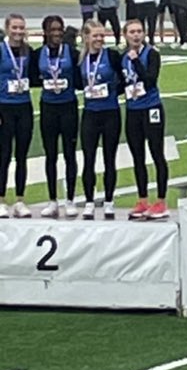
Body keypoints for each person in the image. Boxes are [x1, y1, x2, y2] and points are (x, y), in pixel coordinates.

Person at [30, 15, 79, 219]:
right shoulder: (38, 54)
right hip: (48, 107)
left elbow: (80, 77)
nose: (57, 33)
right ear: (45, 32)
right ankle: (52, 200)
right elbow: (32, 77)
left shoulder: (72, 53)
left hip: (68, 107)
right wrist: (47, 81)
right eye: (53, 30)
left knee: (70, 154)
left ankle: (70, 199)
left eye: (60, 29)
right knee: (51, 155)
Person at [121, 19, 168, 220]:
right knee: (137, 156)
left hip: (151, 108)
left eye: (139, 31)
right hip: (133, 109)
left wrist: (136, 61)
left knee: (157, 153)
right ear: (125, 35)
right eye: (132, 32)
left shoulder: (152, 54)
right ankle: (142, 199)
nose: (136, 35)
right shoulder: (122, 57)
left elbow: (149, 80)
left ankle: (161, 201)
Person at [78, 19, 123, 221]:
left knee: (109, 159)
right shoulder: (81, 59)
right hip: (90, 113)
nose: (99, 39)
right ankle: (89, 201)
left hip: (110, 112)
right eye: (95, 35)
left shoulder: (112, 55)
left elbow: (123, 78)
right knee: (88, 159)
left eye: (101, 35)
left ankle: (109, 201)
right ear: (86, 37)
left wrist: (112, 91)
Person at [0, 13, 33, 218]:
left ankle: (20, 200)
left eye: (21, 28)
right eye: (15, 28)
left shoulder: (27, 51)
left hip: (24, 106)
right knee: (3, 156)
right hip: (4, 106)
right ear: (6, 28)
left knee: (22, 156)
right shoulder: (1, 50)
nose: (18, 32)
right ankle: (1, 199)